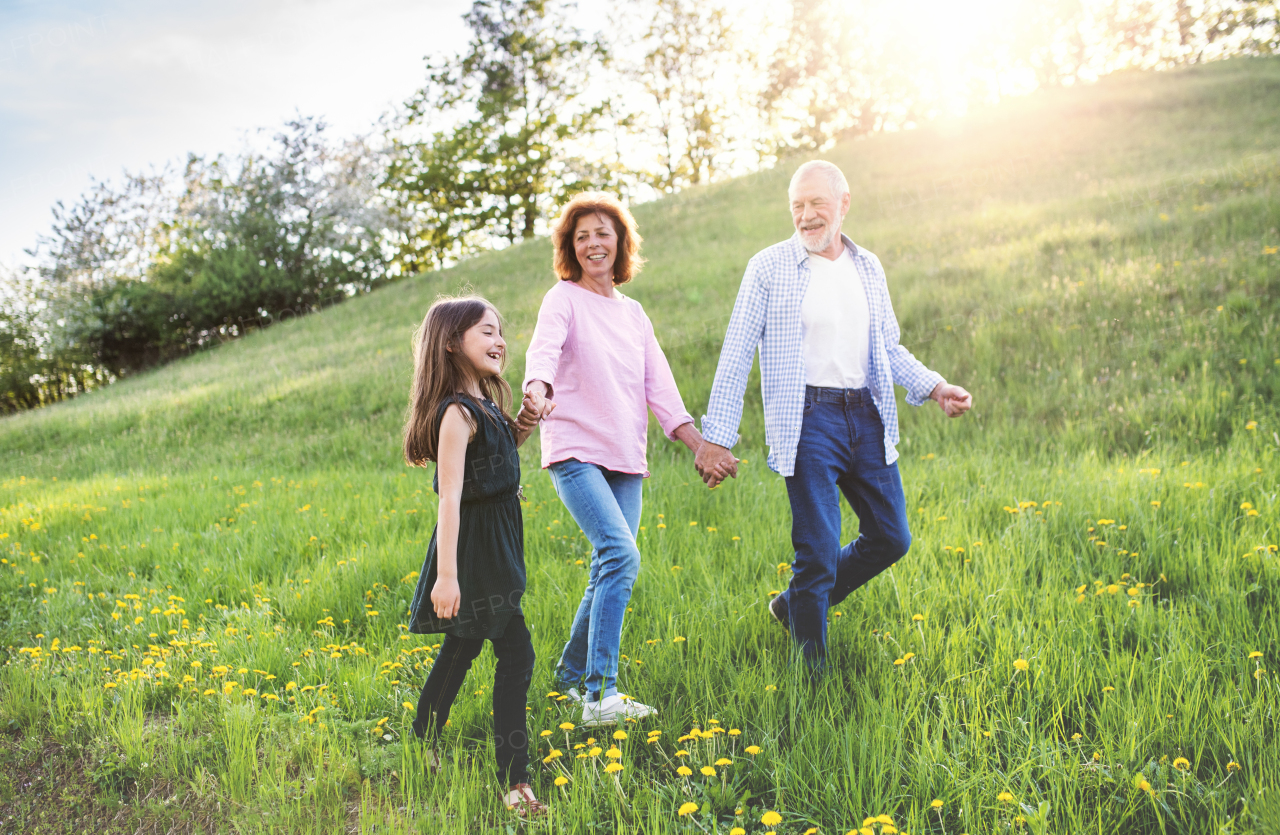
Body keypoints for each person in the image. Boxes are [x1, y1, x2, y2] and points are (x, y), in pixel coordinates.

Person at [695, 160, 972, 677]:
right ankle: (814, 677)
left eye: (816, 204)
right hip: (807, 419)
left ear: (844, 203)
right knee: (819, 550)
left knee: (892, 537)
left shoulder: (868, 266)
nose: (805, 216)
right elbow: (735, 354)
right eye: (796, 206)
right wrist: (716, 439)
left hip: (866, 414)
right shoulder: (768, 267)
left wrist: (934, 387)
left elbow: (888, 347)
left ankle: (793, 603)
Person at [520, 192, 720, 726]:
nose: (592, 243)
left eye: (602, 233)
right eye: (581, 236)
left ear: (621, 242)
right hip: (575, 449)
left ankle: (567, 678)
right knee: (621, 556)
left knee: (607, 565)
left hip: (625, 457)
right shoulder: (562, 299)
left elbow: (661, 387)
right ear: (570, 247)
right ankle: (600, 694)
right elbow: (543, 348)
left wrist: (698, 445)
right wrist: (536, 387)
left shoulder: (634, 315)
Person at [403, 295, 546, 818]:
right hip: (474, 552)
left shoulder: (483, 405)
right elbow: (449, 495)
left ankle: (421, 739)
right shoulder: (457, 414)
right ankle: (515, 780)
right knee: (517, 654)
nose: (498, 340)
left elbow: (500, 460)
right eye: (485, 331)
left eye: (499, 331)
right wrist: (446, 576)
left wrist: (525, 423)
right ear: (450, 343)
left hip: (498, 543)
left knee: (462, 649)